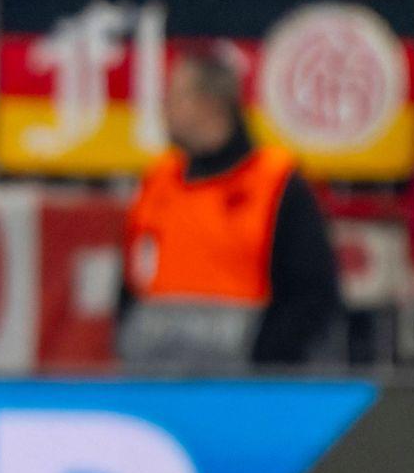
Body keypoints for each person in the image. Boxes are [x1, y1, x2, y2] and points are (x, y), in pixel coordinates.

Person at [121, 51, 344, 366]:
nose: (165, 109)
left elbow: (312, 295)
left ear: (211, 104)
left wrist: (266, 358)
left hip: (244, 386)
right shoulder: (157, 181)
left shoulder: (276, 184)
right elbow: (129, 286)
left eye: (175, 97)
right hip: (156, 381)